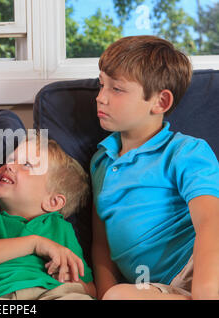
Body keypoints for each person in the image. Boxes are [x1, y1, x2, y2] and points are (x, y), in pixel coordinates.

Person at [90, 35, 219, 300]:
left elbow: (211, 222)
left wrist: (206, 291)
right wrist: (104, 294)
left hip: (205, 266)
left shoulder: (185, 151)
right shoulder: (100, 161)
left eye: (116, 89)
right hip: (160, 288)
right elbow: (101, 244)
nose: (100, 98)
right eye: (101, 85)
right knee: (117, 296)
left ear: (160, 102)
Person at [0, 135, 96, 300]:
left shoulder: (60, 228)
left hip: (49, 292)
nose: (9, 166)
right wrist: (34, 244)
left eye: (26, 164)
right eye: (10, 159)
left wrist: (70, 279)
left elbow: (91, 289)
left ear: (53, 201)